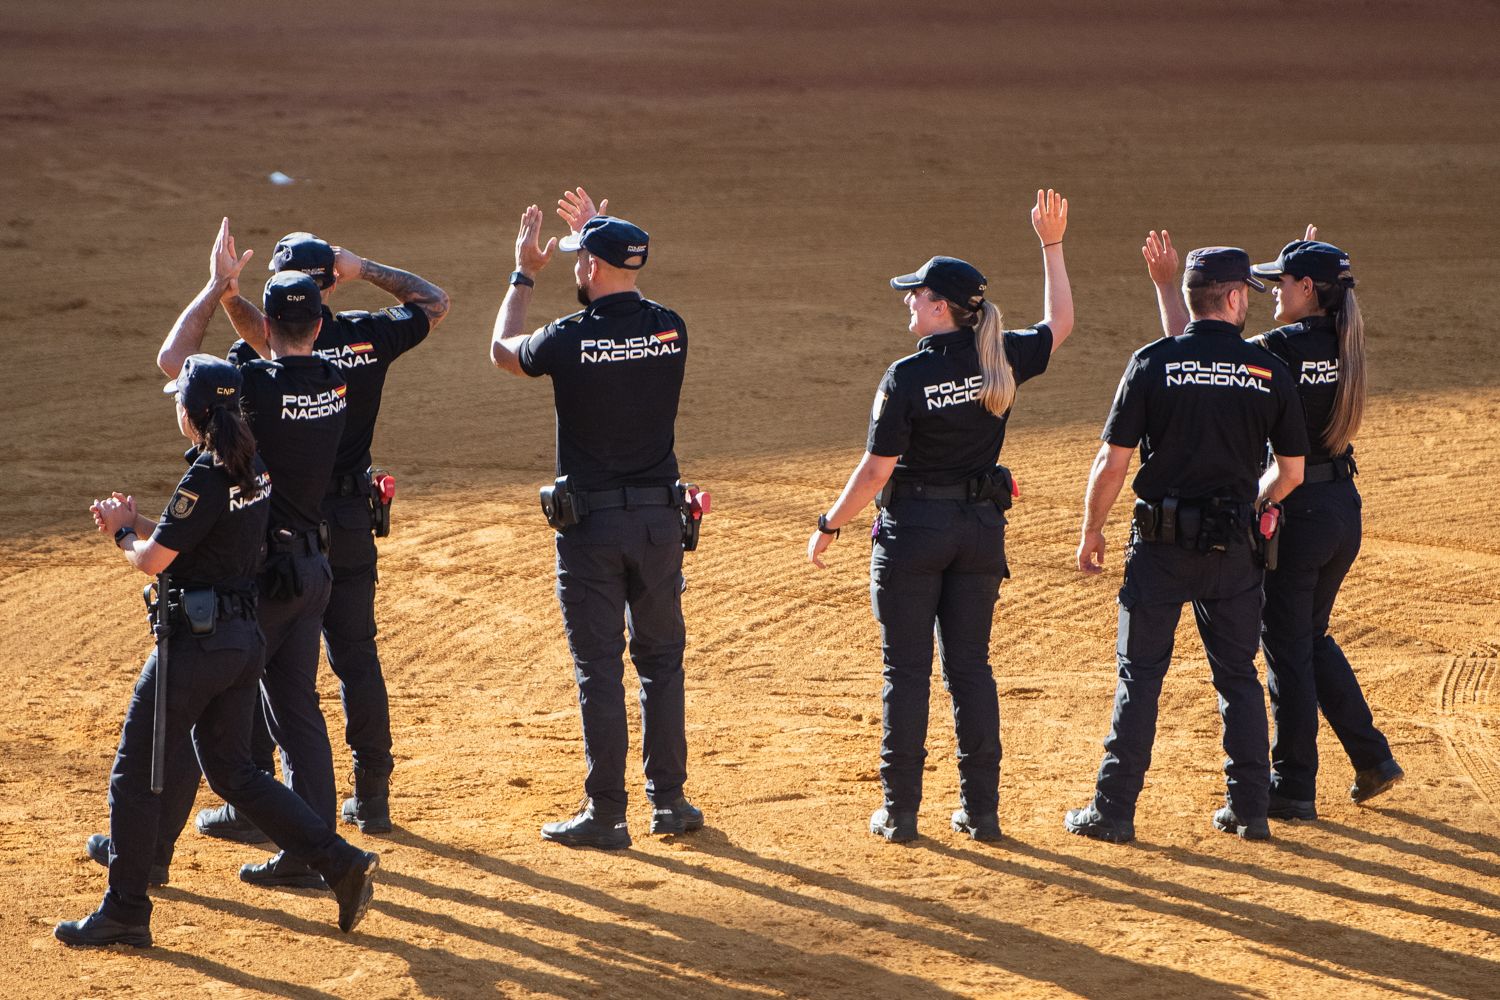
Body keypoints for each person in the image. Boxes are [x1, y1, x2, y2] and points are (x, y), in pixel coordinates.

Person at [56, 352, 377, 948]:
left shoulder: (205, 473)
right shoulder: (253, 467)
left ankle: (126, 908)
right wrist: (137, 521)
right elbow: (199, 535)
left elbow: (154, 561)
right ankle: (340, 861)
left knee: (133, 770)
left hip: (196, 648)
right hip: (243, 642)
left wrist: (127, 535)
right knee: (233, 770)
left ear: (192, 411)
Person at [807, 189, 1074, 844]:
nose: (908, 301)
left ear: (942, 308)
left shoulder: (905, 377)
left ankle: (900, 815)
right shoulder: (998, 356)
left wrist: (830, 522)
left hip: (915, 535)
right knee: (970, 669)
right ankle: (981, 812)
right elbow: (1060, 324)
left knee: (906, 672)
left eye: (917, 295)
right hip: (980, 532)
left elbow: (875, 472)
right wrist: (1053, 245)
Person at [192, 228, 449, 841]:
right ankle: (373, 797)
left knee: (263, 661)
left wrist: (226, 290)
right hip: (351, 516)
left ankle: (262, 801)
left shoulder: (272, 354)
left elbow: (247, 332)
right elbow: (433, 302)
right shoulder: (365, 334)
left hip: (282, 527)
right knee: (357, 655)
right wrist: (364, 267)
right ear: (327, 288)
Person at [1065, 245, 1308, 844]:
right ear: (1230, 298)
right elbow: (1293, 472)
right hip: (1233, 549)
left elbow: (1112, 462)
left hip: (1159, 549)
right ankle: (1250, 809)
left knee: (1140, 678)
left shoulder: (1152, 362)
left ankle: (1114, 811)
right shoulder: (1267, 370)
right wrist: (1254, 505)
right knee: (1238, 678)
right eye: (1246, 293)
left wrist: (1092, 527)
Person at [488, 188, 699, 850]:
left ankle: (607, 814)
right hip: (661, 526)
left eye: (583, 259)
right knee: (662, 661)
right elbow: (619, 299)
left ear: (592, 268)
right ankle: (669, 803)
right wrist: (595, 234)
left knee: (600, 668)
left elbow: (502, 349)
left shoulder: (568, 339)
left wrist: (524, 273)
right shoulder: (672, 327)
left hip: (594, 532)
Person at [151, 219, 352, 889]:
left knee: (196, 714)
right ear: (321, 326)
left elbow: (174, 362)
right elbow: (278, 343)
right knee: (298, 714)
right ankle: (310, 852)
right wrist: (252, 308)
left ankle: (146, 850)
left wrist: (218, 287)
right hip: (314, 571)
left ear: (263, 327)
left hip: (262, 580)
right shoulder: (335, 378)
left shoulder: (254, 389)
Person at [1248, 232, 1402, 816]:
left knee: (1285, 651)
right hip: (1341, 509)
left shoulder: (1280, 345)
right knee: (1309, 638)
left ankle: (1292, 788)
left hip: (1297, 510)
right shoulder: (1346, 337)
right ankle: (1372, 759)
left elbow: (1214, 358)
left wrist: (1169, 288)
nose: (1268, 292)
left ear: (1307, 288)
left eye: (1279, 282)